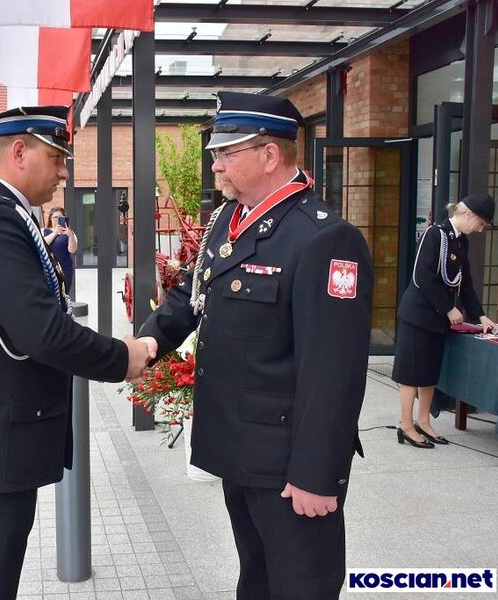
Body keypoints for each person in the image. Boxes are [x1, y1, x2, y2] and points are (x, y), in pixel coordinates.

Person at [0, 105, 155, 600]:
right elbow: (41, 332)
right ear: (19, 152)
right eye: (57, 158)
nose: (64, 172)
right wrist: (121, 357)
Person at [137, 91, 374, 599]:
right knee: (257, 577)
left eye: (227, 153)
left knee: (301, 585)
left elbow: (333, 371)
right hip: (240, 448)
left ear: (269, 155)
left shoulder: (324, 239)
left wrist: (316, 474)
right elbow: (192, 293)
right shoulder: (230, 219)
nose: (216, 165)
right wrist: (149, 341)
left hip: (289, 465)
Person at [392, 193, 498, 448]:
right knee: (411, 372)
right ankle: (406, 425)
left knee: (429, 372)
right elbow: (422, 276)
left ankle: (424, 421)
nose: (480, 229)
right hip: (418, 315)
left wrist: (480, 315)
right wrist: (449, 308)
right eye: (481, 223)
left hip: (437, 319)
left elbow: (466, 283)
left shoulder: (460, 241)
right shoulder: (435, 234)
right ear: (469, 214)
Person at [42, 206, 78, 293]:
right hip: (48, 268)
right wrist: (55, 232)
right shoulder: (44, 231)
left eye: (60, 217)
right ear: (50, 218)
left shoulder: (70, 233)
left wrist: (70, 235)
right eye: (55, 217)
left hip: (65, 268)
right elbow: (43, 244)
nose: (57, 220)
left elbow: (72, 250)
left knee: (64, 293)